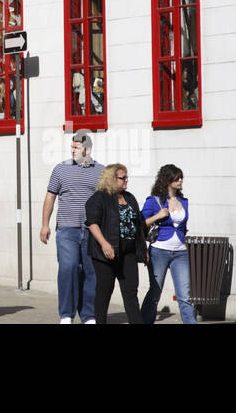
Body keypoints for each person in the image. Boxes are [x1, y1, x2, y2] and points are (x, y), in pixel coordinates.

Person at [40, 130, 104, 323]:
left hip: (92, 230)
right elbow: (50, 197)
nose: (73, 150)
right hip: (67, 229)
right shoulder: (60, 169)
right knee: (68, 269)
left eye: (77, 147)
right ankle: (66, 314)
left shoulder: (101, 171)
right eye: (72, 146)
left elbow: (105, 201)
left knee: (90, 272)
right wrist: (45, 225)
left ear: (87, 149)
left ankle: (88, 315)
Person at [85, 163, 147, 324]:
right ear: (111, 179)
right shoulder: (99, 197)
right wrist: (104, 244)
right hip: (106, 254)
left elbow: (138, 225)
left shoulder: (130, 198)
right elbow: (92, 223)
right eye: (122, 177)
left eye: (126, 177)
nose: (126, 180)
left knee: (131, 291)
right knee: (105, 291)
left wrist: (143, 248)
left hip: (128, 252)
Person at [141, 164, 196, 324]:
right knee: (155, 292)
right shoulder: (153, 201)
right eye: (177, 178)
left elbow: (183, 227)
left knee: (185, 294)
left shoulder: (183, 201)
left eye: (181, 178)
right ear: (167, 179)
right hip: (159, 251)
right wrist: (158, 216)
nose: (180, 180)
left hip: (180, 252)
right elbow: (141, 223)